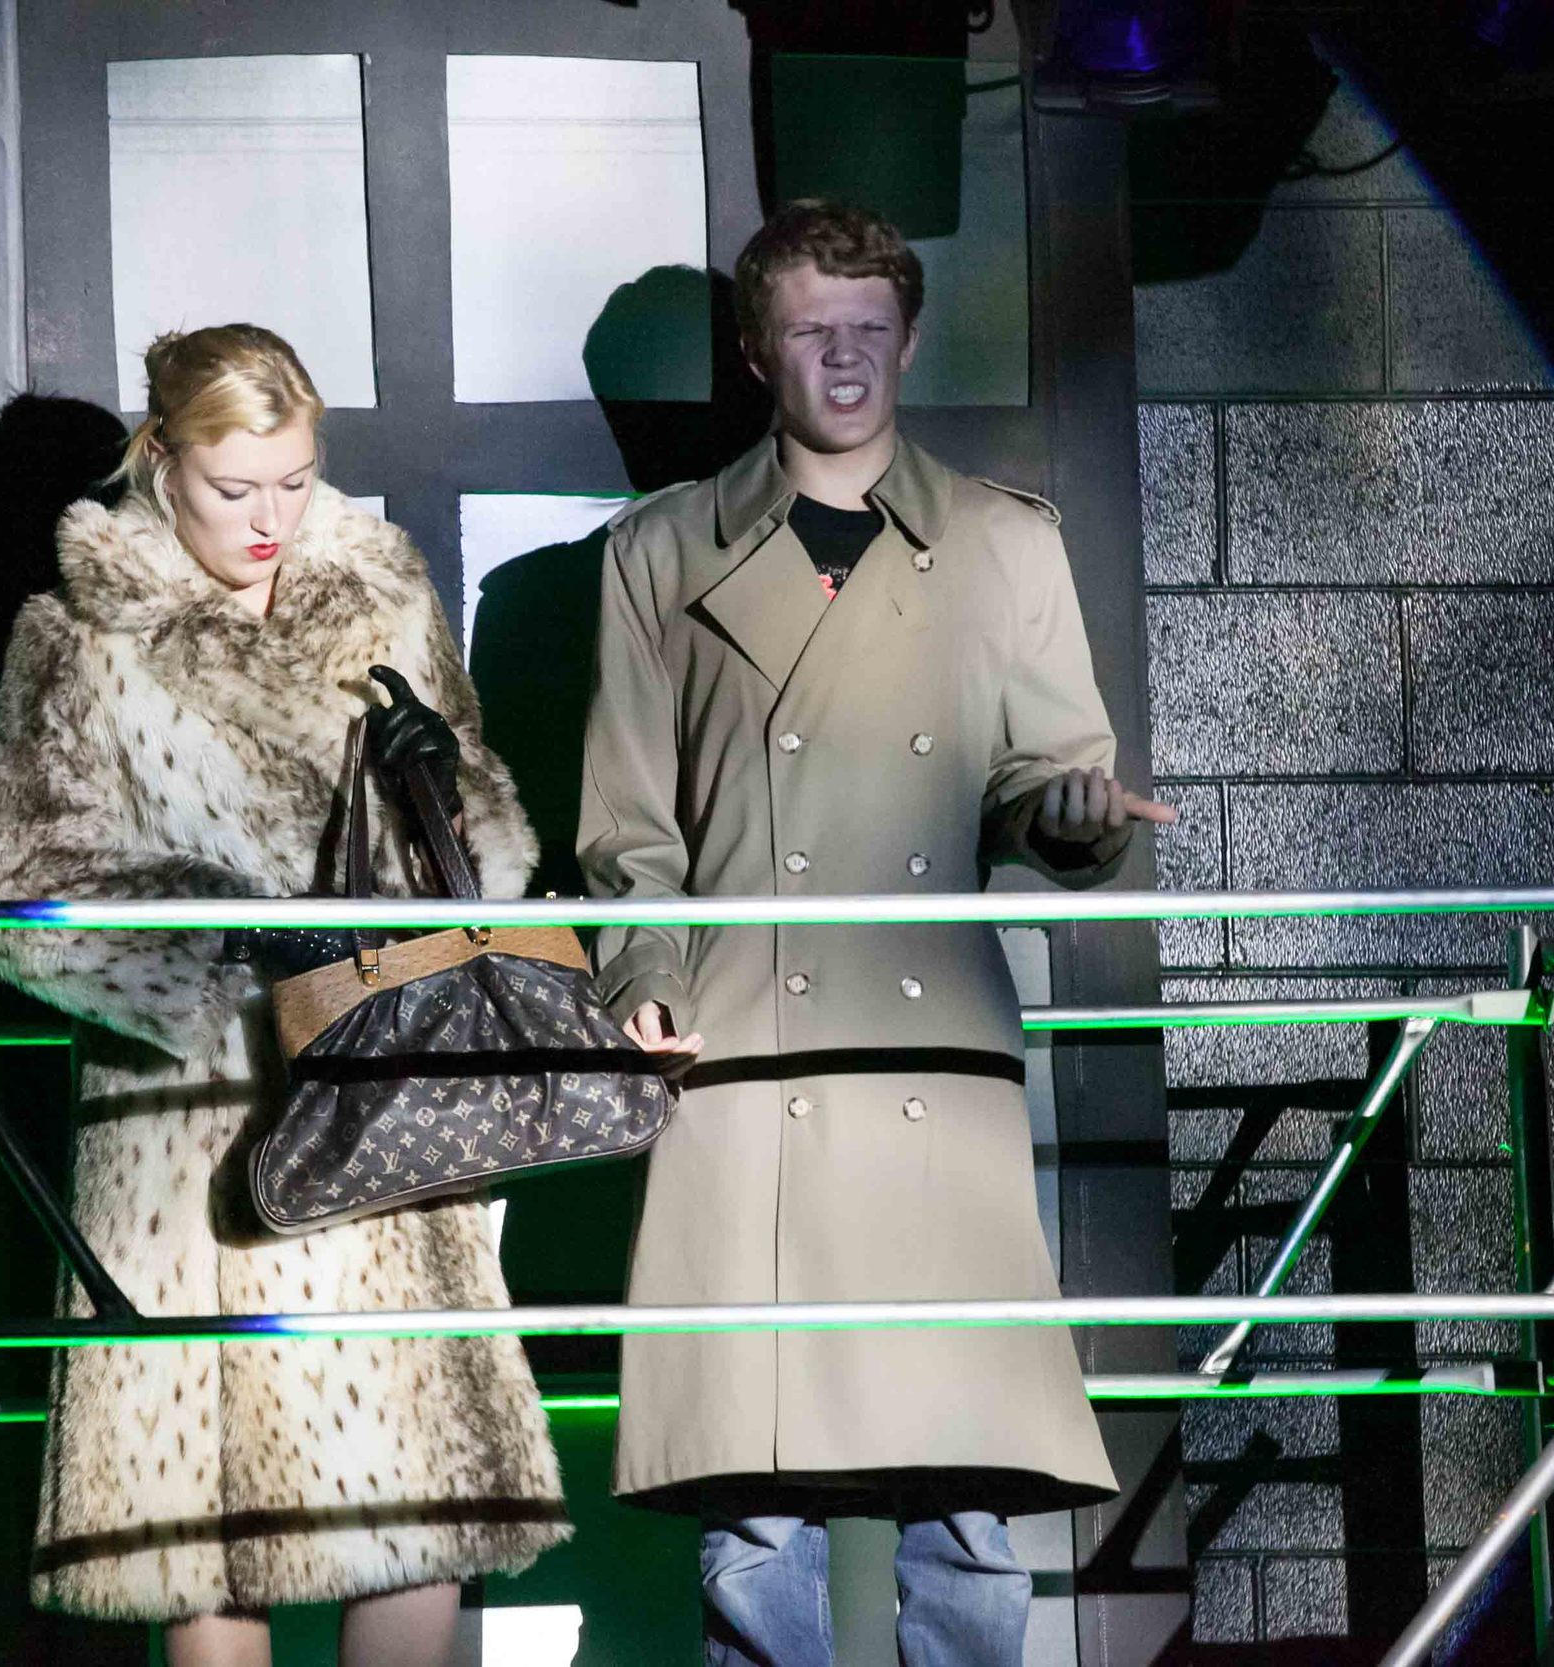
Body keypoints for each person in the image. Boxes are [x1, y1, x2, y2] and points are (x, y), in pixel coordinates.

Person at [577, 199, 1177, 1665]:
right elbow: (628, 833)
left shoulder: (1004, 542)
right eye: (808, 332)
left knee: (966, 1491)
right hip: (745, 1050)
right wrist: (644, 974)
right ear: (755, 352)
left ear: (908, 340)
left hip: (925, 1051)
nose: (842, 359)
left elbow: (1052, 782)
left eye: (867, 329)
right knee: (754, 1505)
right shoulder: (658, 552)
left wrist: (1074, 815)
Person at [0, 323, 568, 1667]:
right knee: (211, 1531)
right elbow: (19, 888)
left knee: (420, 1506)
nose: (268, 519)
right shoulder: (78, 635)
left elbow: (488, 861)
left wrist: (443, 785)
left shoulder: (383, 595)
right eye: (234, 487)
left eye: (293, 482)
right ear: (161, 460)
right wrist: (228, 937)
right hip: (196, 1124)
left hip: (378, 1091)